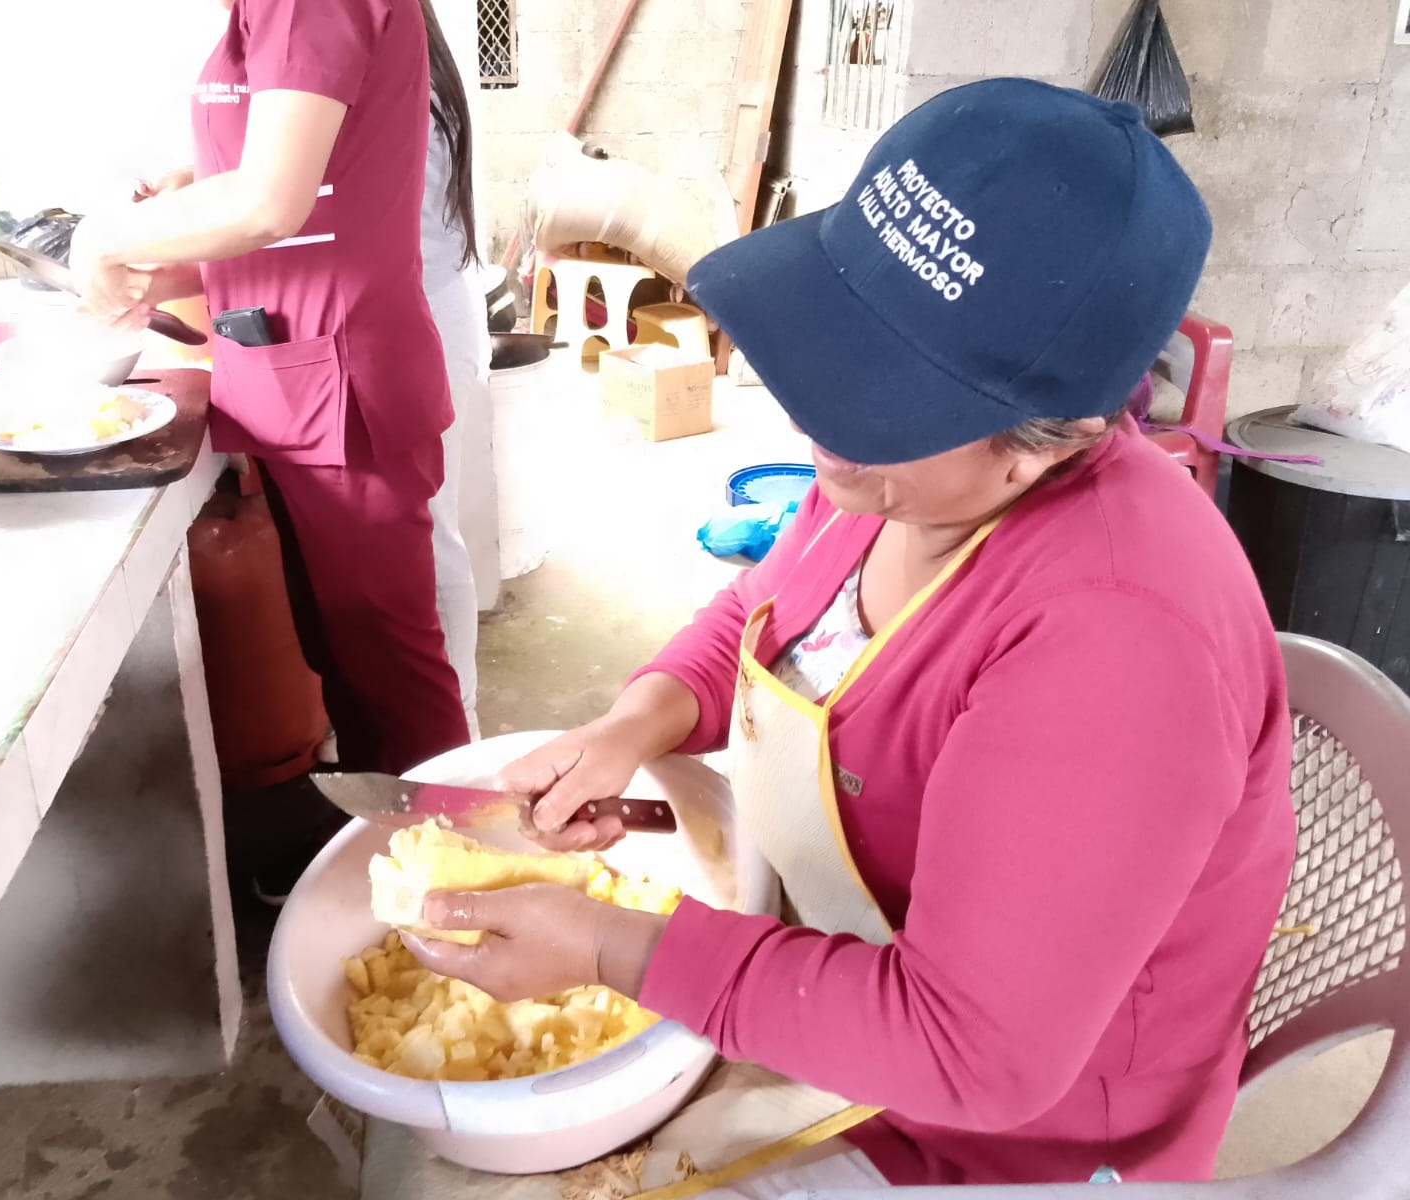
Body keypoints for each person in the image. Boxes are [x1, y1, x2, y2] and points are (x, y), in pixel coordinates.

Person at [401, 79, 1298, 1190]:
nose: (813, 409)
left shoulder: (1119, 644)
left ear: (1045, 442)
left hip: (997, 1135)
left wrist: (601, 946)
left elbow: (976, 1054)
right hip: (837, 965)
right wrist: (631, 727)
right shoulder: (890, 481)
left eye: (880, 392)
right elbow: (763, 618)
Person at [69, 0, 471, 787]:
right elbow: (298, 195)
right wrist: (178, 225)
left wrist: (106, 238)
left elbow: (269, 203)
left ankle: (455, 844)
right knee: (347, 663)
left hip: (338, 389)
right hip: (294, 375)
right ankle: (385, 846)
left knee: (392, 676)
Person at [418, 0, 485, 739]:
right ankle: (451, 711)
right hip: (437, 317)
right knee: (432, 528)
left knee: (434, 532)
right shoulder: (423, 65)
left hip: (429, 326)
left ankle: (458, 720)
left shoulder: (410, 88)